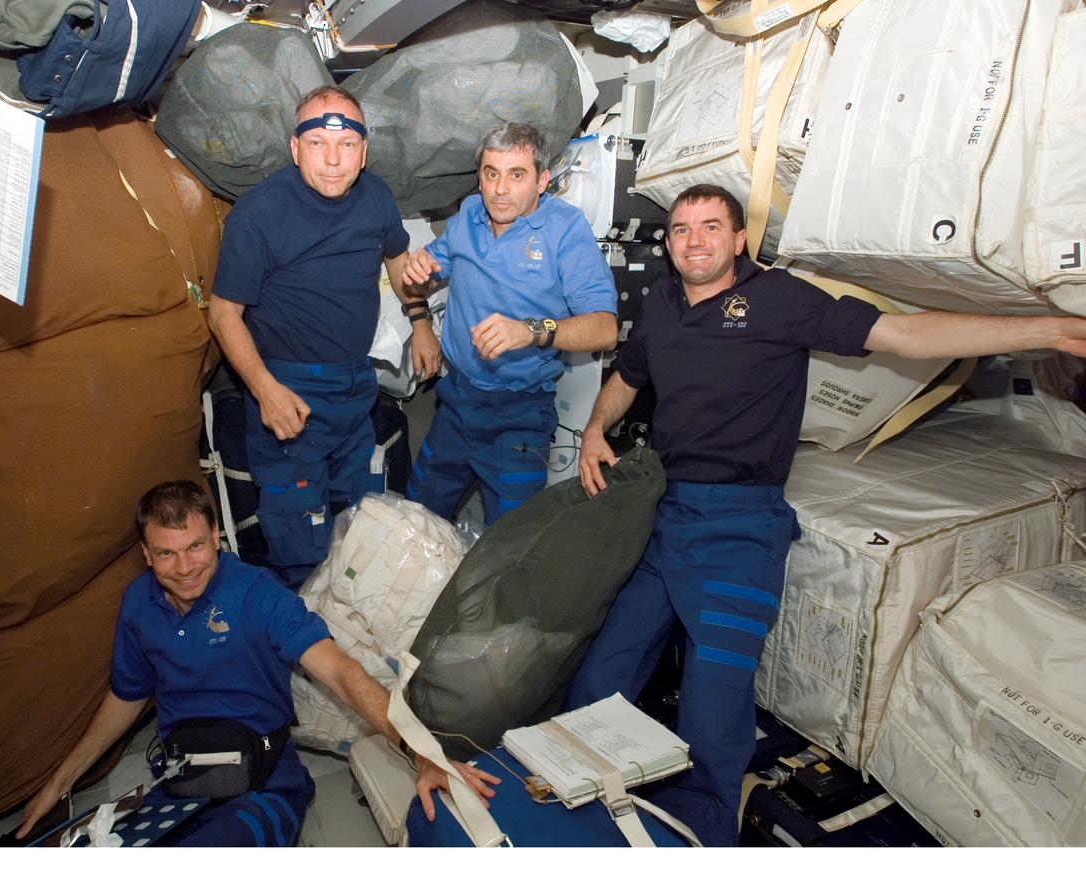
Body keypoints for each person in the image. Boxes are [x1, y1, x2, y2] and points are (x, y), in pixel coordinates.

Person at [568, 183, 1086, 846]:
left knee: (710, 723)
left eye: (709, 227)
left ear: (737, 240)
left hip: (739, 531)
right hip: (663, 517)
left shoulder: (780, 299)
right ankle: (571, 822)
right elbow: (628, 375)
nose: (693, 240)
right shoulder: (662, 304)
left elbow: (905, 333)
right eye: (680, 229)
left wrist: (1048, 328)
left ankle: (698, 843)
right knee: (597, 681)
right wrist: (592, 429)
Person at [16, 481, 496, 845]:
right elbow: (127, 695)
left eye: (195, 547)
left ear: (217, 538)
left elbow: (343, 674)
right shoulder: (139, 605)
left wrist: (423, 754)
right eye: (166, 553)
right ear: (146, 555)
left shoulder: (257, 594)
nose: (184, 568)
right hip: (184, 776)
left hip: (267, 779)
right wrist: (58, 785)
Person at [208, 85, 441, 588]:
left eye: (347, 145)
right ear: (295, 149)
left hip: (355, 386)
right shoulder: (258, 214)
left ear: (364, 150)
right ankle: (301, 651)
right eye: (317, 144)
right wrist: (265, 391)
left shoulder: (376, 195)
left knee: (360, 525)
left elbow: (397, 257)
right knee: (299, 538)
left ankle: (351, 636)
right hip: (288, 389)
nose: (333, 160)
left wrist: (420, 321)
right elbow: (224, 314)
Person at [400, 122, 618, 525]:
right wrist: (419, 272)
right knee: (417, 517)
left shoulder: (565, 230)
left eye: (516, 175)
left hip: (519, 412)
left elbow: (604, 327)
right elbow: (429, 273)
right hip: (456, 402)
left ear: (542, 180)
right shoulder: (468, 214)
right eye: (491, 173)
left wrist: (532, 330)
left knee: (509, 543)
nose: (500, 189)